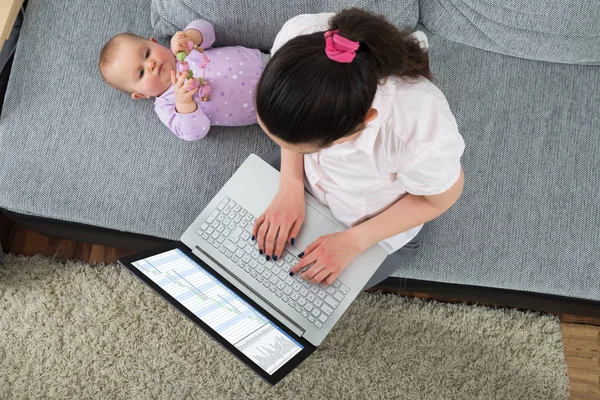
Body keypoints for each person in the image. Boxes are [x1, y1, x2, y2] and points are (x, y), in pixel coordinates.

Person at [251, 9, 466, 290]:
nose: (285, 147)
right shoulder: (298, 37)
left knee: (298, 296)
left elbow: (439, 199)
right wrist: (290, 181)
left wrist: (354, 241)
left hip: (370, 225)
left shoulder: (418, 132)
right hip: (302, 179)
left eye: (305, 147)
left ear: (364, 122)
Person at [99, 20, 269, 141]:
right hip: (269, 106)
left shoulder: (181, 49)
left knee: (293, 32)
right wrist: (184, 103)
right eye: (141, 73)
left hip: (268, 61)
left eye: (147, 54)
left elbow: (208, 30)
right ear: (141, 94)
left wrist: (188, 37)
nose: (150, 64)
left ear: (155, 42)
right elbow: (195, 132)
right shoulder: (166, 106)